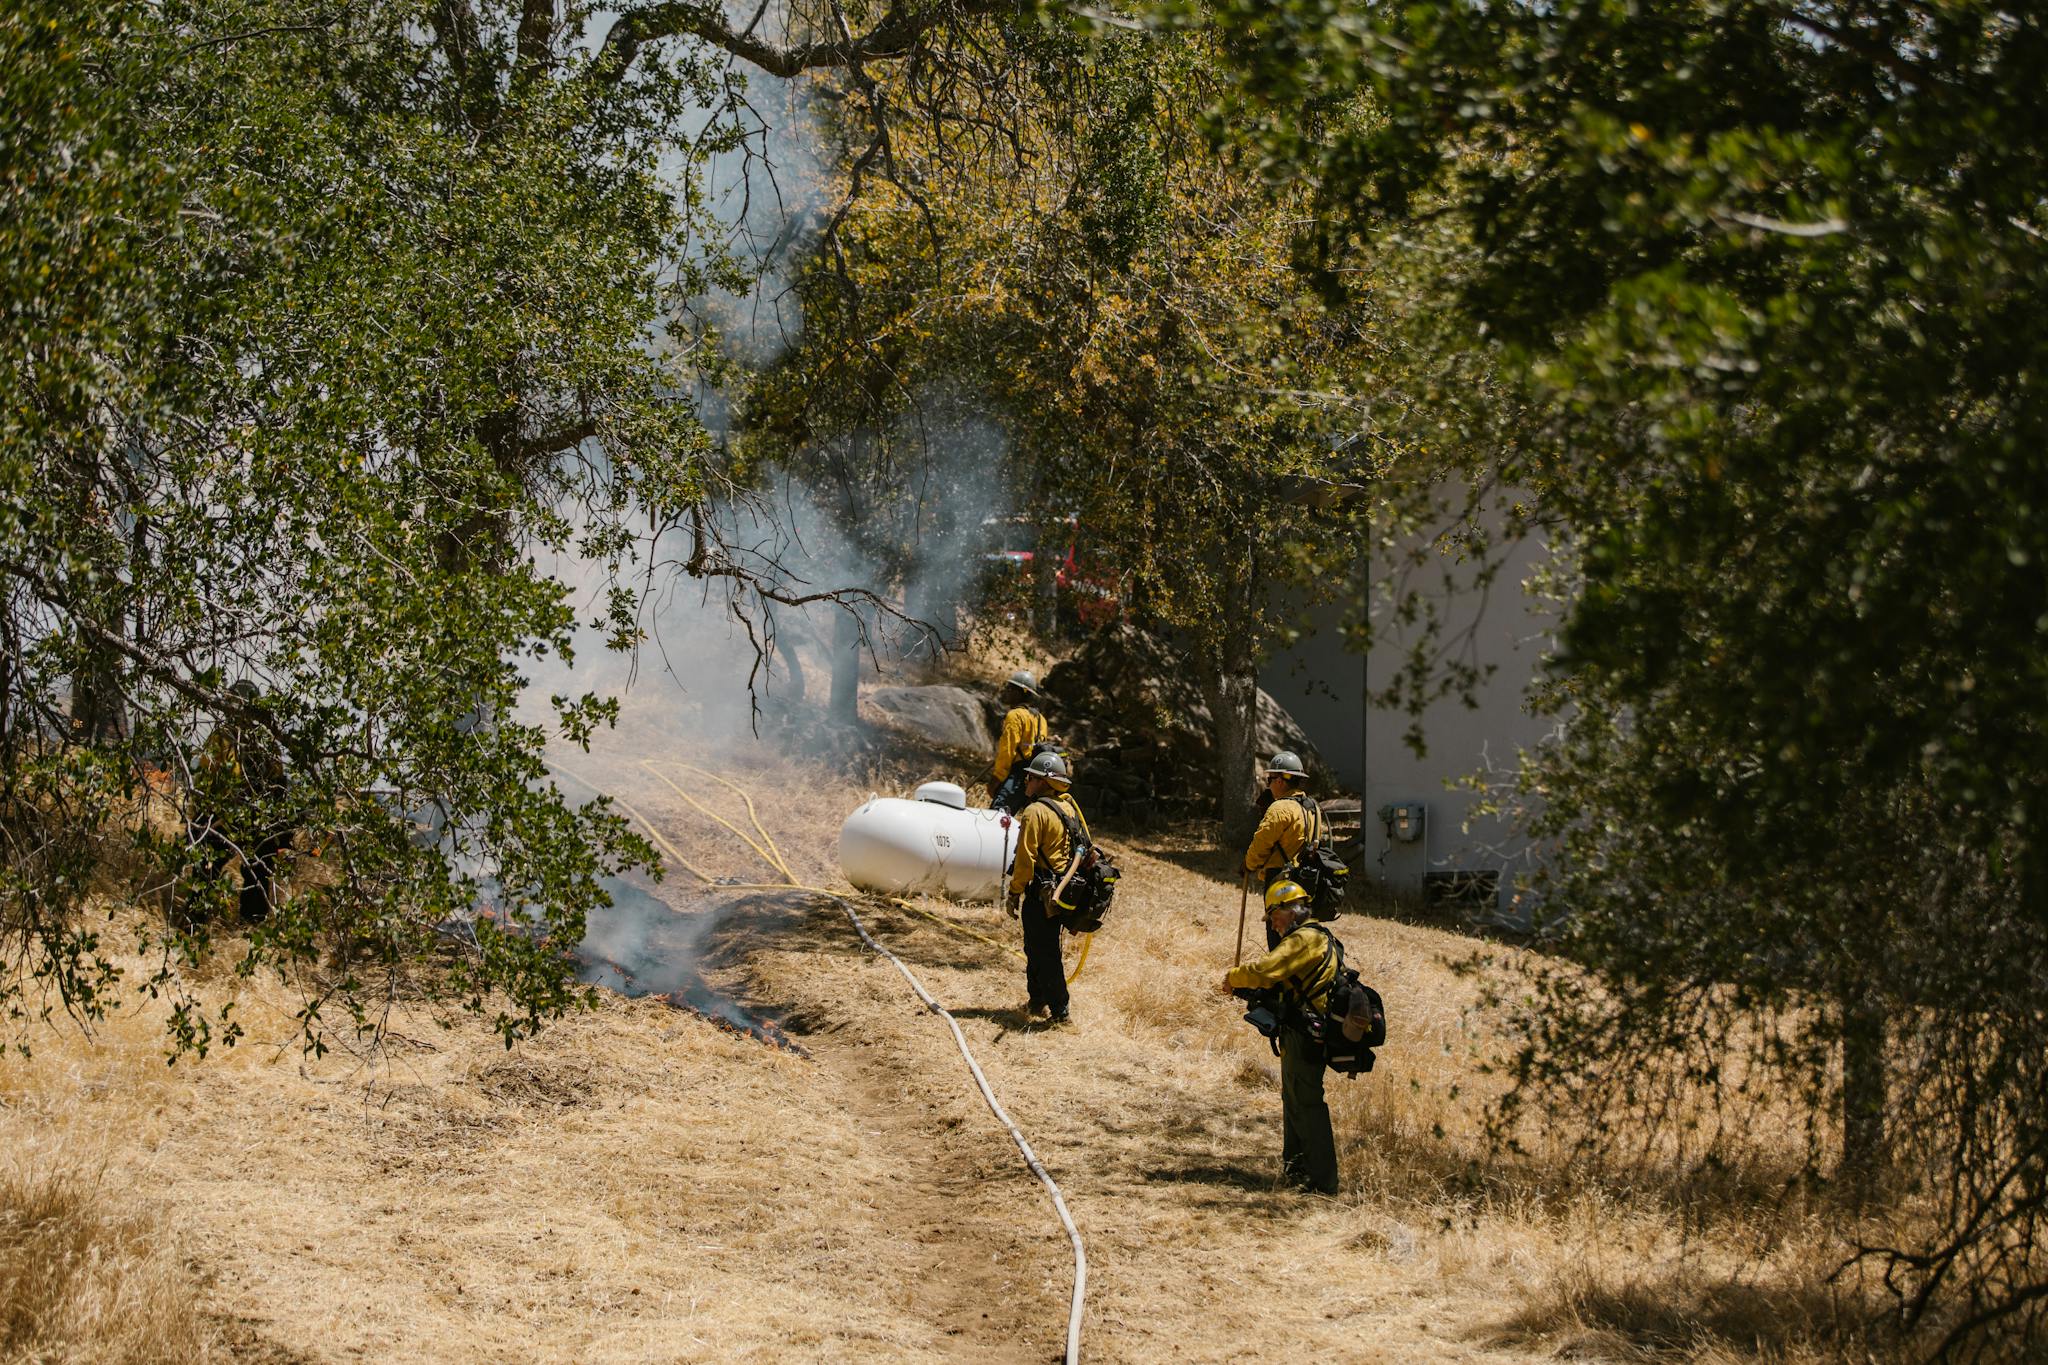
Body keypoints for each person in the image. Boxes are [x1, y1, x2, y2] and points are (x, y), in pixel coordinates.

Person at [1217, 879, 1342, 1195]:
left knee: (1307, 1103)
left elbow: (1267, 969)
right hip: (1299, 1032)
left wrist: (1233, 977)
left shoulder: (1304, 940)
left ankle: (1322, 1183)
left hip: (1306, 1035)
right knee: (1295, 1100)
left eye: (1274, 914)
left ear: (1291, 910)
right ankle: (1296, 1170)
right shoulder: (1313, 938)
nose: (1272, 922)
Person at [190, 681, 292, 925]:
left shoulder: (250, 742)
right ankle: (199, 924)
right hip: (231, 817)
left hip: (242, 818)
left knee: (252, 871)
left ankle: (243, 926)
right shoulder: (229, 740)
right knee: (210, 866)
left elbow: (278, 788)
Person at [1005, 749, 1086, 1024]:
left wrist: (1014, 893)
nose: (1026, 781)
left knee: (1045, 952)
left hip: (1042, 895)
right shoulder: (1068, 806)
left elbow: (1025, 860)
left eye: (1030, 777)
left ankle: (1061, 1013)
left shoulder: (1034, 812)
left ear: (1043, 782)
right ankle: (1037, 1000)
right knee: (1036, 947)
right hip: (1063, 892)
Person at [1243, 750, 1324, 947]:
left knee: (1278, 936)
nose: (1268, 784)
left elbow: (1261, 842)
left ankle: (1280, 975)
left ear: (1280, 781)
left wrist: (1249, 864)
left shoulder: (1280, 808)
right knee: (1300, 935)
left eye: (1270, 779)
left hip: (1280, 881)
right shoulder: (1313, 807)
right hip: (1307, 879)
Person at [986, 669, 1049, 814]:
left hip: (1015, 777)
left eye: (1010, 688)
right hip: (1033, 780)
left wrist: (996, 779)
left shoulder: (1015, 716)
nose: (1006, 691)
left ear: (1021, 692)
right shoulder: (1041, 719)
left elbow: (1007, 751)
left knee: (997, 821)